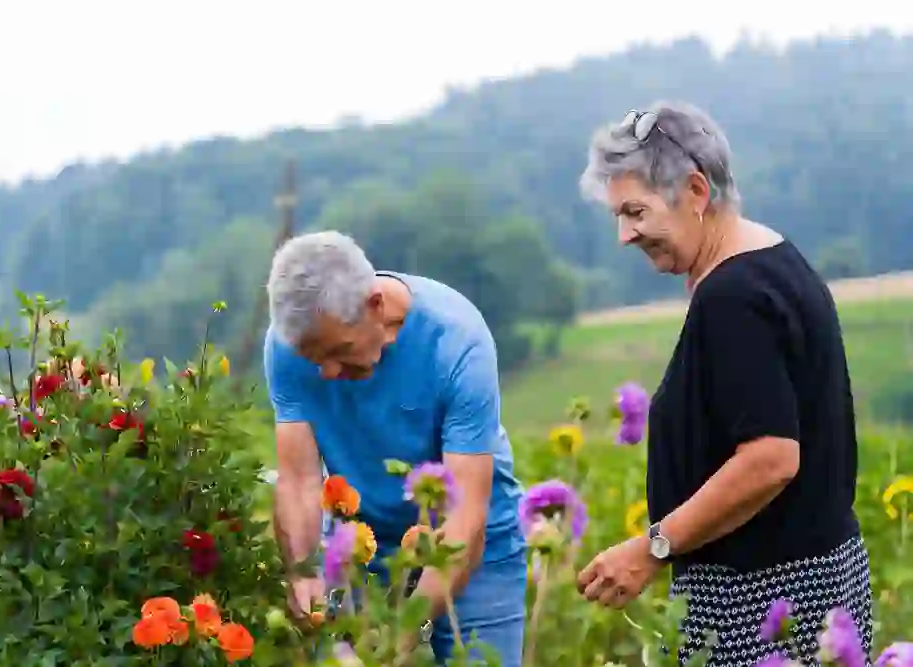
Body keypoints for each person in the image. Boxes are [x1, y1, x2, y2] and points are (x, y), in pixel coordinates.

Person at [573, 102, 872, 667]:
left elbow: (771, 457)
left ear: (695, 190)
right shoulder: (775, 259)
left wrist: (653, 547)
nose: (624, 235)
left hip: (762, 604)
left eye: (635, 212)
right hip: (818, 584)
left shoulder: (732, 298)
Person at [263, 230, 526, 666]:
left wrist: (405, 633)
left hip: (475, 551)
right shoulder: (289, 345)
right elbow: (299, 481)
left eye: (338, 351)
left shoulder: (456, 342)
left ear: (375, 307)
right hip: (361, 547)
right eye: (314, 359)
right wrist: (303, 571)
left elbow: (466, 517)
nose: (326, 372)